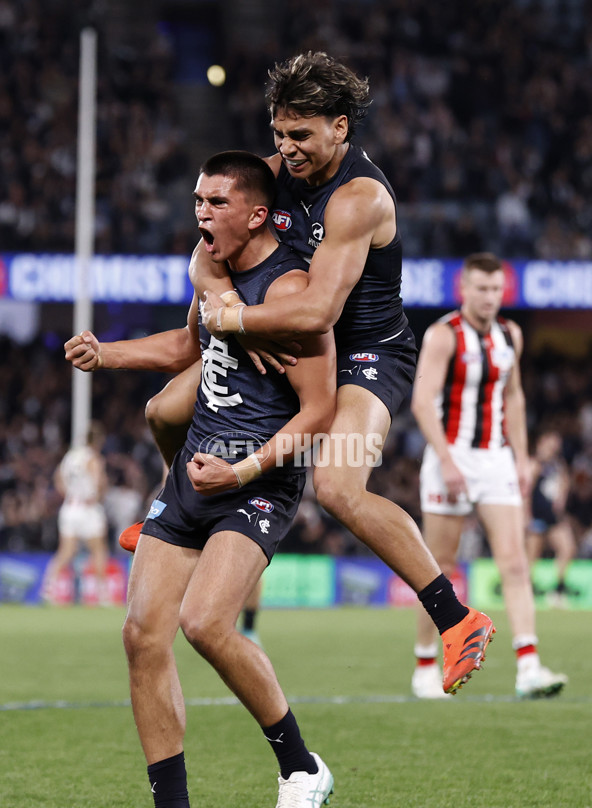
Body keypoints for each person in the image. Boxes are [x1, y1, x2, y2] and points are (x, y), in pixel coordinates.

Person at [103, 51, 493, 695]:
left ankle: (455, 619)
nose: (286, 148)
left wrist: (234, 321)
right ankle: (177, 502)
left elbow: (319, 309)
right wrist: (228, 300)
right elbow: (207, 249)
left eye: (301, 134)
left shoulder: (360, 199)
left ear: (341, 127)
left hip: (365, 354)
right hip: (289, 342)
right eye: (279, 132)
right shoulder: (275, 173)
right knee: (164, 410)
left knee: (338, 487)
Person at [70, 151, 337, 808]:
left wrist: (244, 467)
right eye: (197, 199)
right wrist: (108, 353)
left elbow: (318, 411)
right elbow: (187, 345)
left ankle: (301, 768)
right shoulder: (215, 272)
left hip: (258, 481)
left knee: (206, 622)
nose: (200, 213)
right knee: (140, 633)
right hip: (195, 472)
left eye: (216, 202)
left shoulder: (297, 293)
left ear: (256, 213)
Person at [410, 252, 568, 700]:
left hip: (495, 459)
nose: (490, 297)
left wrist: (520, 459)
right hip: (451, 456)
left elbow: (514, 398)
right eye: (481, 288)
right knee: (437, 569)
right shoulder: (443, 335)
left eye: (496, 289)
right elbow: (423, 402)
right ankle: (424, 664)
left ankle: (529, 667)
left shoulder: (510, 335)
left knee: (515, 563)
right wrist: (446, 460)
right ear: (463, 289)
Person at [42, 422, 109, 605]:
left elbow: (58, 478)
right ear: (98, 440)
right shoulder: (93, 458)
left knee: (66, 551)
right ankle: (102, 594)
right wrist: (97, 494)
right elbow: (98, 483)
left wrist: (70, 494)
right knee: (98, 550)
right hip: (87, 508)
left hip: (70, 507)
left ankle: (48, 588)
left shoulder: (70, 456)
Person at [527, 429, 576, 608]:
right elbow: (526, 492)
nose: (555, 445)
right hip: (537, 515)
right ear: (542, 442)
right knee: (532, 555)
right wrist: (526, 516)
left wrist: (561, 498)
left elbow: (565, 481)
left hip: (554, 516)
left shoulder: (557, 463)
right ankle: (527, 591)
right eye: (551, 441)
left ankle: (558, 589)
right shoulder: (534, 463)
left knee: (568, 548)